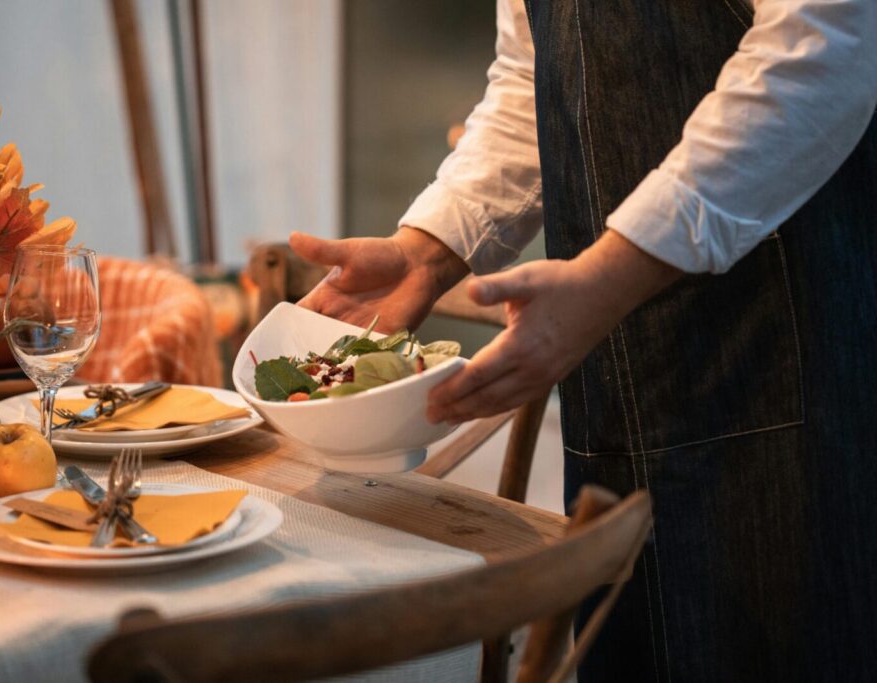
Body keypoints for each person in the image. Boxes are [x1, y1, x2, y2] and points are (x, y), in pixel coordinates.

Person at [290, 0, 877, 680]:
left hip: (785, 362)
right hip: (619, 384)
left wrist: (613, 273)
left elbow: (821, 52)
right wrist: (430, 247)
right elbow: (530, 80)